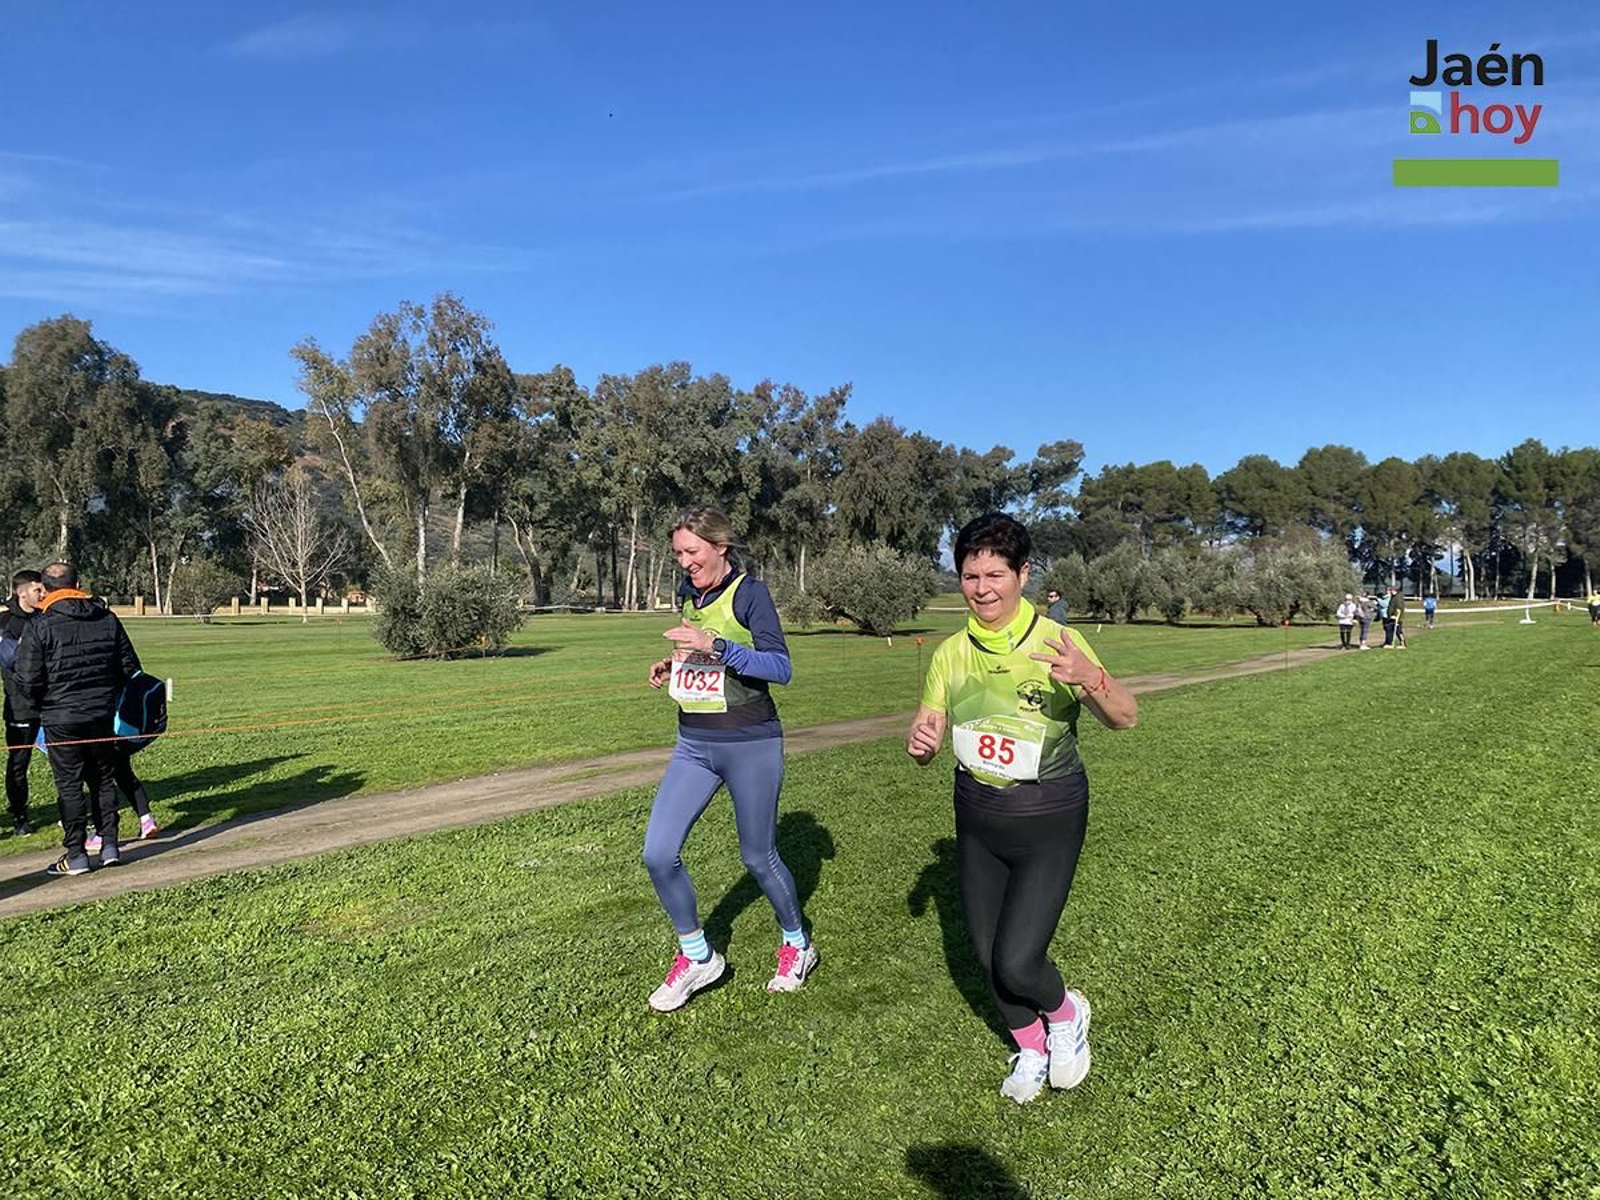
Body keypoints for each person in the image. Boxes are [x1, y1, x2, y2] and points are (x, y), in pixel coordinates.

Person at [908, 513, 1137, 1104]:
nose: (982, 588)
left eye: (995, 574)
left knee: (1018, 956)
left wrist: (1091, 679)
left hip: (1049, 814)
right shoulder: (951, 654)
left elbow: (1125, 718)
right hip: (977, 813)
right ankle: (1030, 1046)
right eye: (969, 575)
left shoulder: (1057, 642)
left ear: (1024, 574)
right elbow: (929, 728)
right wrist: (922, 743)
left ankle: (1066, 1014)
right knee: (987, 956)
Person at [641, 507, 815, 1011]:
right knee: (658, 852)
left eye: (692, 551)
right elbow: (697, 658)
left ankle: (798, 944)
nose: (684, 561)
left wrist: (715, 644)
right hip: (694, 744)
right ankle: (698, 957)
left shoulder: (751, 594)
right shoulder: (688, 596)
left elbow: (779, 667)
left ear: (721, 546)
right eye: (678, 553)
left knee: (758, 857)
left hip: (751, 743)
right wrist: (672, 665)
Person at [14, 561, 140, 876]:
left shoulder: (40, 625)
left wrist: (43, 705)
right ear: (78, 583)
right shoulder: (107, 618)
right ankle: (109, 844)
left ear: (44, 589)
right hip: (100, 714)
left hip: (61, 716)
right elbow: (129, 668)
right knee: (102, 779)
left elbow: (27, 679)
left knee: (69, 784)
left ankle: (77, 853)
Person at [1, 570, 47, 836]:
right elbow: (10, 659)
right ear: (22, 593)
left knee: (66, 760)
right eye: (37, 590)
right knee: (19, 761)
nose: (43, 594)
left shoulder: (47, 616)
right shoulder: (5, 620)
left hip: (52, 702)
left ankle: (72, 812)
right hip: (20, 705)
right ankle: (20, 816)